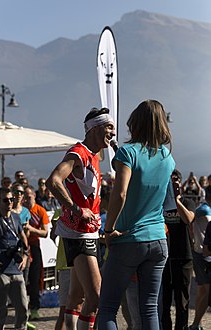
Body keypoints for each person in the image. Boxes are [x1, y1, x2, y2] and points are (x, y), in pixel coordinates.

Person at [98, 100, 175, 330]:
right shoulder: (167, 158)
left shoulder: (127, 153)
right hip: (158, 240)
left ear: (135, 123)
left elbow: (120, 194)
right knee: (150, 308)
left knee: (108, 308)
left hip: (129, 239)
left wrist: (109, 229)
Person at [46, 107, 115, 330]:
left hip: (86, 232)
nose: (113, 133)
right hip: (79, 233)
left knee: (77, 299)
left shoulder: (94, 156)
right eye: (109, 127)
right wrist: (76, 209)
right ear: (94, 128)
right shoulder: (79, 152)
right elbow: (54, 181)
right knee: (96, 297)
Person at [161, 169, 196, 330]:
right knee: (164, 302)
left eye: (176, 180)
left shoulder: (188, 202)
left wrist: (176, 200)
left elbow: (188, 218)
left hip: (183, 258)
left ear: (180, 183)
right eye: (170, 180)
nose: (173, 182)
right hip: (165, 258)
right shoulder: (161, 203)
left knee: (182, 301)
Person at [0, 187, 29, 330]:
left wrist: (25, 256)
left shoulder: (16, 217)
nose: (9, 203)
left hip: (16, 268)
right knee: (0, 309)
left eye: (11, 199)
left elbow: (23, 239)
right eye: (5, 200)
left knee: (23, 307)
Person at [23, 185, 49, 321]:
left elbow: (45, 233)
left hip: (34, 246)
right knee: (22, 280)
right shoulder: (19, 211)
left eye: (28, 196)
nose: (26, 200)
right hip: (21, 247)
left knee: (34, 279)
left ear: (34, 195)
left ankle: (34, 308)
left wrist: (30, 229)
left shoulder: (40, 211)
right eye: (24, 197)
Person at [188, 188, 211, 330]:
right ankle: (195, 324)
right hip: (203, 255)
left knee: (203, 290)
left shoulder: (203, 208)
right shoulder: (204, 210)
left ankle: (197, 323)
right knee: (207, 292)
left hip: (201, 252)